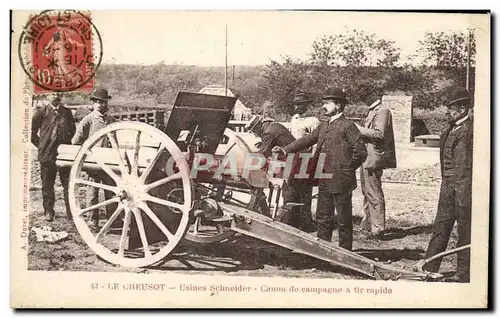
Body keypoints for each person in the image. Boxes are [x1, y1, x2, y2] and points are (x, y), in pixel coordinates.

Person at [273, 87, 367, 250]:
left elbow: (361, 152)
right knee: (323, 217)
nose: (323, 106)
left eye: (327, 103)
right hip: (323, 177)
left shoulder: (348, 126)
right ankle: (322, 252)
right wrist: (285, 150)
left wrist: (346, 168)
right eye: (323, 103)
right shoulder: (324, 125)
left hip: (341, 180)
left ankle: (346, 253)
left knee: (344, 220)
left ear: (338, 106)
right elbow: (307, 140)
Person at [422, 87, 473, 283]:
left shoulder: (470, 132)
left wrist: (464, 193)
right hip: (447, 188)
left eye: (451, 108)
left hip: (464, 190)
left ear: (462, 109)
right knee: (440, 227)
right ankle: (428, 267)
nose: (447, 111)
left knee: (465, 232)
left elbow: (467, 167)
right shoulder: (447, 131)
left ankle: (463, 273)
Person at [245, 115, 315, 232]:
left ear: (258, 127)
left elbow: (263, 154)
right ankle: (306, 225)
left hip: (296, 161)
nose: (255, 135)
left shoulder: (268, 133)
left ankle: (290, 226)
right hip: (304, 158)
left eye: (254, 132)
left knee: (289, 192)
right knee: (303, 194)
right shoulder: (275, 126)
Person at [355, 84, 396, 238]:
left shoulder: (383, 111)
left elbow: (379, 134)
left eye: (365, 96)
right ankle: (368, 224)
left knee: (373, 192)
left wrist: (357, 129)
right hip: (368, 155)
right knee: (367, 191)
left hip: (374, 157)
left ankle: (378, 229)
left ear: (373, 95)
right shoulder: (373, 111)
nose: (363, 99)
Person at [72, 88, 117, 229]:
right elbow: (76, 141)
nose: (101, 105)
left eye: (104, 102)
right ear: (94, 104)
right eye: (98, 102)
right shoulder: (88, 120)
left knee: (111, 191)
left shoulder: (111, 120)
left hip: (109, 162)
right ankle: (92, 220)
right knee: (92, 191)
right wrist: (88, 155)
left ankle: (113, 220)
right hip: (93, 162)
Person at [31, 92, 76, 222]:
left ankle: (71, 213)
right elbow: (31, 132)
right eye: (52, 94)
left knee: (68, 183)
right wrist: (42, 145)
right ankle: (48, 212)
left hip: (64, 154)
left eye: (58, 94)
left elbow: (73, 130)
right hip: (47, 155)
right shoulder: (42, 112)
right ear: (47, 96)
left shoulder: (66, 112)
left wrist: (65, 144)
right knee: (47, 184)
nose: (55, 96)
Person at [288, 90, 321, 229]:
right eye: (295, 104)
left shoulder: (313, 120)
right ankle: (292, 220)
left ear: (306, 105)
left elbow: (317, 142)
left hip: (306, 158)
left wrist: (313, 160)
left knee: (305, 191)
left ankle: (306, 222)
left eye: (300, 104)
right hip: (292, 157)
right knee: (291, 189)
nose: (297, 107)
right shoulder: (294, 119)